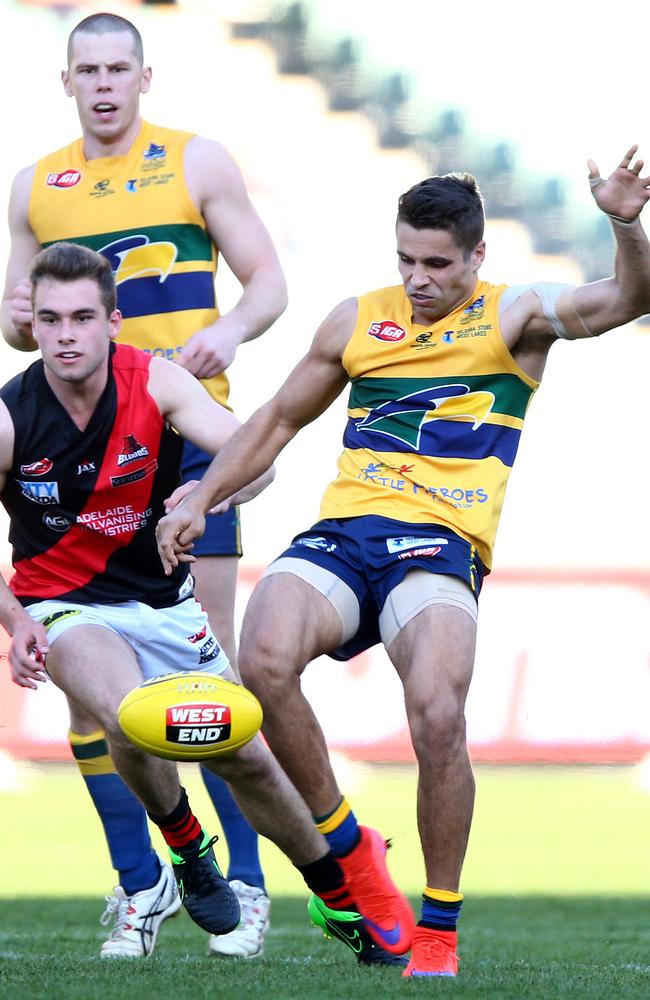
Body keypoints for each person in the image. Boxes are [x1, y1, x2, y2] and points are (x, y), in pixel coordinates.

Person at [156, 148, 650, 977]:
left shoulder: (516, 316)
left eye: (436, 265)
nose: (418, 280)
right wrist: (200, 497)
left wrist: (624, 223)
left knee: (437, 713)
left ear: (476, 258)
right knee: (264, 658)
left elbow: (632, 297)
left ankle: (439, 928)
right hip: (347, 532)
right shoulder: (357, 320)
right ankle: (350, 855)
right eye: (405, 260)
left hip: (439, 544)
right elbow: (276, 420)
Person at [0, 241, 412, 965]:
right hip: (63, 603)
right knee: (129, 711)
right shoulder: (9, 418)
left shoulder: (157, 383)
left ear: (113, 323)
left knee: (247, 757)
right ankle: (189, 853)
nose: (66, 334)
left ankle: (337, 895)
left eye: (83, 317)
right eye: (51, 318)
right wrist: (16, 620)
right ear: (31, 325)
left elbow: (254, 460)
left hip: (165, 604)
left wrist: (203, 492)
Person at [0, 12, 287, 959]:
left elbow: (269, 282)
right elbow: (18, 324)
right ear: (67, 81)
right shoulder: (35, 186)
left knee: (207, 681)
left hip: (183, 440)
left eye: (120, 67)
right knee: (94, 698)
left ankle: (243, 889)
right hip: (78, 449)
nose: (105, 83)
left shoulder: (197, 163)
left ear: (145, 75)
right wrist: (25, 320)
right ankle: (144, 886)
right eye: (89, 69)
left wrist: (234, 332)